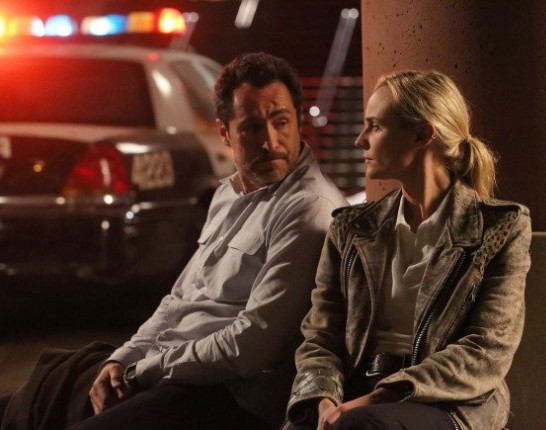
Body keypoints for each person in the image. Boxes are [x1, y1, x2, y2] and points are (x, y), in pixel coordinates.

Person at [0, 52, 346, 430]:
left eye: (281, 122)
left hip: (228, 396)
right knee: (25, 401)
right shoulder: (228, 193)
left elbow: (253, 347)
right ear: (225, 133)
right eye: (251, 128)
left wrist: (144, 371)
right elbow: (179, 300)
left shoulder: (308, 208)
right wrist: (123, 359)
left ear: (298, 121)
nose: (270, 142)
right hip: (170, 373)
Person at [284, 70, 532, 430]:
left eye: (374, 126)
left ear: (421, 134)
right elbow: (321, 335)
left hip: (447, 402)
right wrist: (322, 396)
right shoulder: (351, 228)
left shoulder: (500, 227)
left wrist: (375, 398)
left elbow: (485, 349)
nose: (360, 140)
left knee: (362, 425)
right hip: (355, 388)